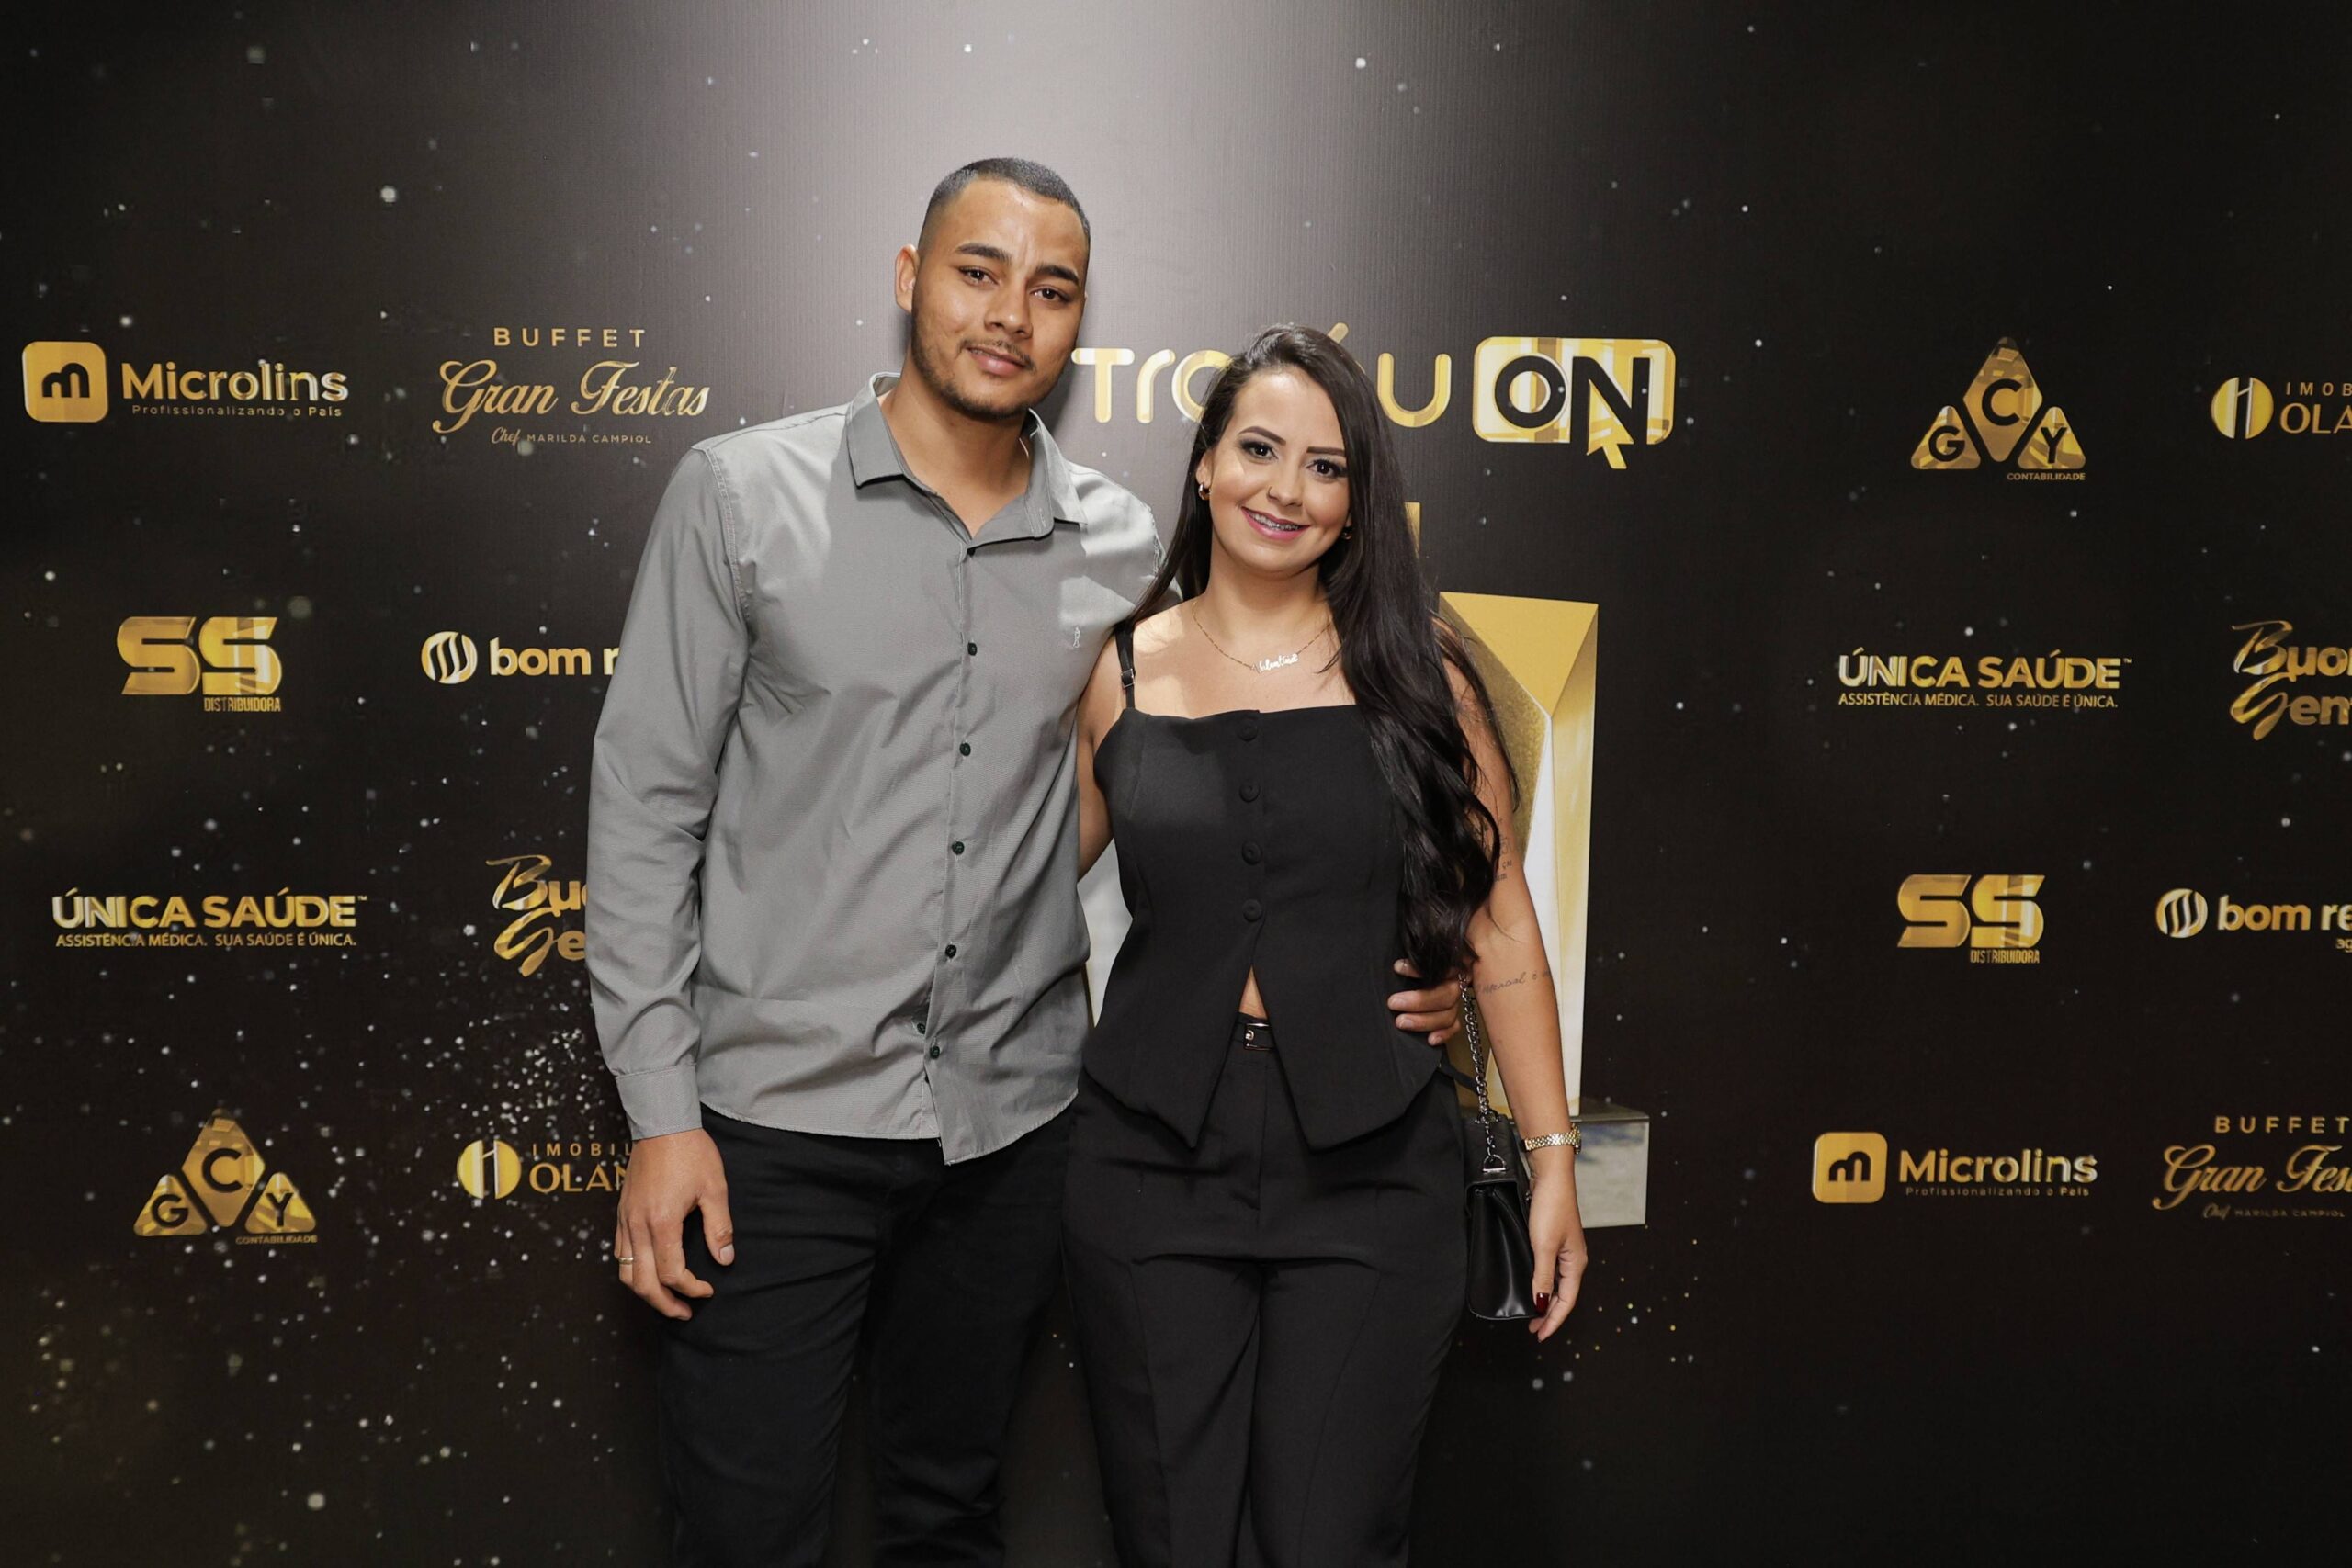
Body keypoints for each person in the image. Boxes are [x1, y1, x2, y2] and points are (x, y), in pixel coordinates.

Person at [584, 161, 1463, 1568]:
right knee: (745, 1533)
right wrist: (659, 1112)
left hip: (1011, 1133)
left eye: (1052, 290)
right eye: (977, 272)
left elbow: (1248, 795)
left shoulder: (1123, 551)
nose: (1010, 314)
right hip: (772, 1128)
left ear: (1079, 323)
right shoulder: (741, 498)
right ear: (908, 278)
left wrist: (1404, 955)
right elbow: (644, 810)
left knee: (949, 1519)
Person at [1060, 325, 1589, 1568]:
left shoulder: (1424, 673)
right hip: (1148, 1167)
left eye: (1326, 466)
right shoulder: (1119, 670)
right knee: (1170, 1542)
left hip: (1374, 1173)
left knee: (1327, 1542)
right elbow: (1020, 904)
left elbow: (1499, 917)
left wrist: (1553, 1158)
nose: (1285, 490)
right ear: (1204, 464)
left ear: (1358, 504)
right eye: (1258, 450)